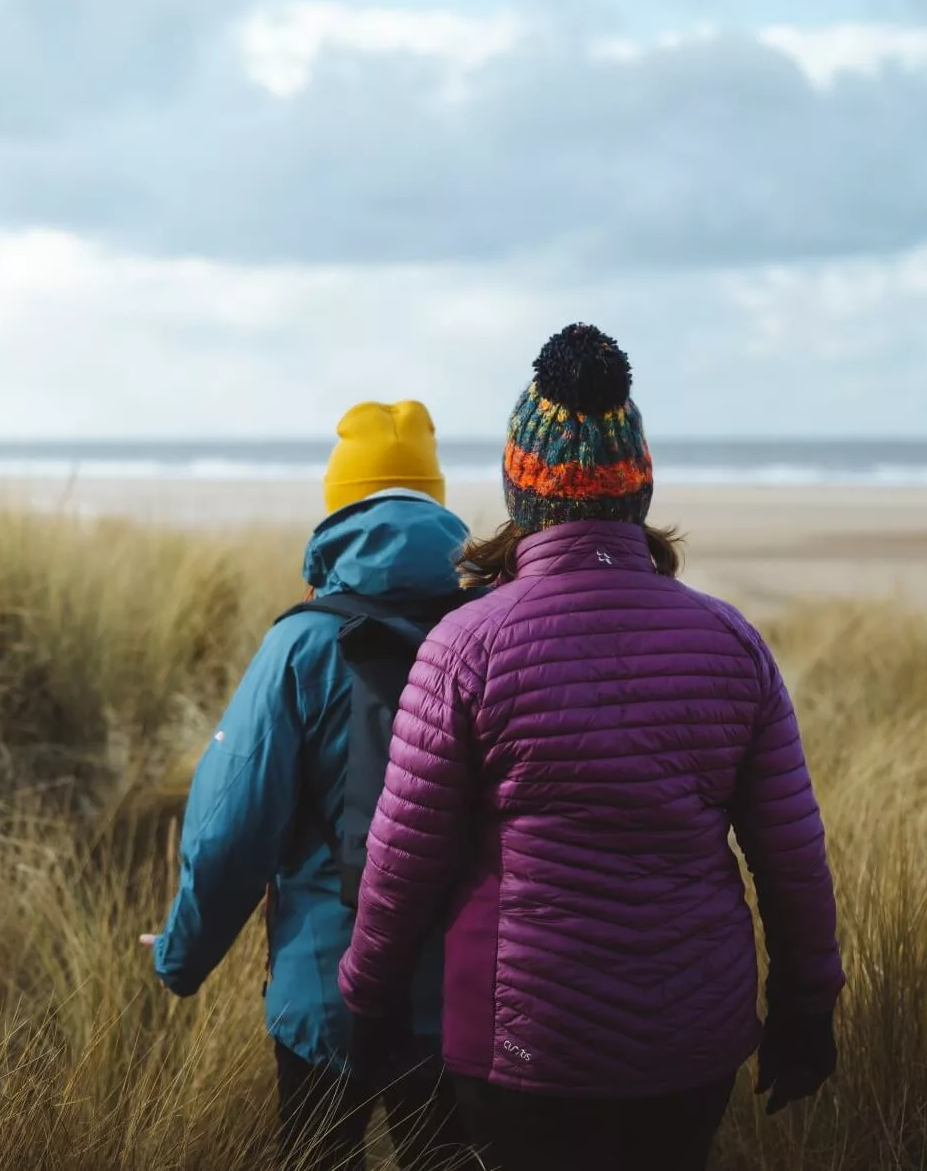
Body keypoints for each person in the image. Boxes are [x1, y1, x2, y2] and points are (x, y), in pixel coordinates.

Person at [338, 325, 845, 1171]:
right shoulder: (732, 643)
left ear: (518, 491)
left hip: (522, 1043)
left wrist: (367, 999)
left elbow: (405, 859)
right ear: (638, 488)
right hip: (691, 1039)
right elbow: (792, 857)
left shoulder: (465, 647)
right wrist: (806, 1009)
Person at [143, 401, 472, 1171]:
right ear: (437, 501)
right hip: (465, 993)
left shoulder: (300, 643)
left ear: (339, 506)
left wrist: (181, 960)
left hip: (325, 995)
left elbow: (230, 829)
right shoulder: (486, 629)